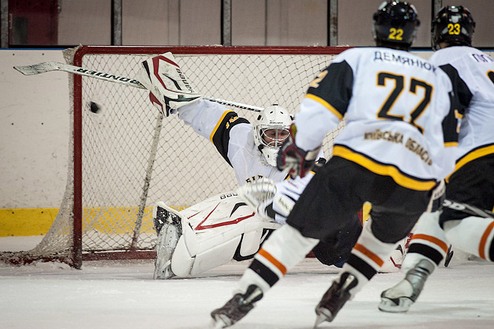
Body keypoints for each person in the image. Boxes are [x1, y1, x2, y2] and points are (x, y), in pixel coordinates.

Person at [209, 1, 460, 328]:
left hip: (358, 163)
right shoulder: (437, 76)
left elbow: (318, 114)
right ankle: (343, 290)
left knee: (296, 234)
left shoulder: (355, 58)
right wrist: (435, 187)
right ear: (414, 34)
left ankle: (243, 299)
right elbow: (448, 145)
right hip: (416, 176)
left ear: (376, 29)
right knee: (379, 241)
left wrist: (299, 149)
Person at [137, 52, 363, 279]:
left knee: (252, 217)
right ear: (257, 135)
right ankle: (182, 229)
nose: (275, 141)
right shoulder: (241, 137)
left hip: (331, 235)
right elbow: (205, 115)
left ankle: (183, 255)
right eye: (270, 134)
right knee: (237, 204)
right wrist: (175, 95)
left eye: (281, 135)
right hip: (280, 225)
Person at [379, 5, 494, 313]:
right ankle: (413, 279)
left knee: (454, 222)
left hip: (482, 154)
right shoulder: (485, 61)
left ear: (435, 35)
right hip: (484, 149)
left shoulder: (443, 60)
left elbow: (447, 109)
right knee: (438, 211)